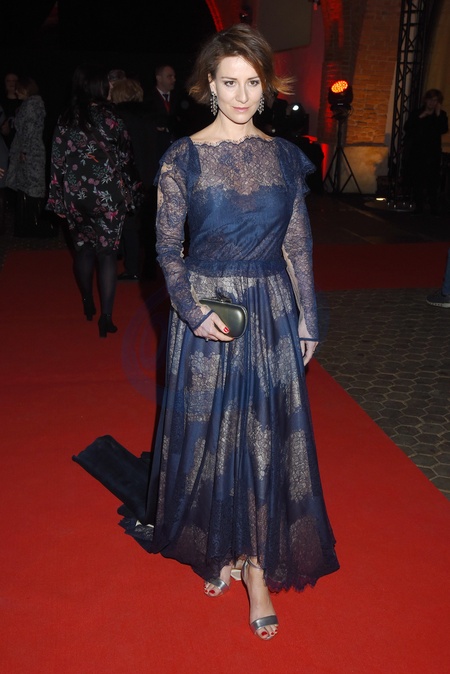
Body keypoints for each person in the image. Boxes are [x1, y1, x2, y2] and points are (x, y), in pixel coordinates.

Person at [74, 24, 339, 640]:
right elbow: (167, 251)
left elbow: (298, 245)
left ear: (266, 88)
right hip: (207, 309)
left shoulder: (285, 157)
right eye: (230, 82)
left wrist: (309, 318)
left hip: (270, 310)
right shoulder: (182, 159)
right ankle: (219, 544)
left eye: (253, 83)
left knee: (263, 437)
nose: (242, 96)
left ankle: (257, 571)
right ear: (209, 86)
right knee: (212, 433)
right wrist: (193, 314)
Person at [46, 63, 143, 337]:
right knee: (107, 254)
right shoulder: (111, 118)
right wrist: (134, 191)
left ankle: (88, 300)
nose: (110, 87)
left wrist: (56, 199)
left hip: (75, 195)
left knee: (84, 250)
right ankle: (106, 317)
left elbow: (56, 162)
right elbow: (126, 159)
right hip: (108, 196)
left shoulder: (66, 118)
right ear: (98, 86)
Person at [110, 77, 159, 280]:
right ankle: (149, 267)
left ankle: (132, 268)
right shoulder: (150, 117)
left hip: (129, 176)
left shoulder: (118, 119)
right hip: (151, 175)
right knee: (148, 225)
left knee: (129, 225)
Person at [5, 76, 47, 236]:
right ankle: (28, 226)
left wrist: (24, 151)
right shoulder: (31, 104)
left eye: (18, 89)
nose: (16, 91)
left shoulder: (31, 105)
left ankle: (33, 226)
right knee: (27, 188)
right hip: (30, 151)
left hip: (31, 153)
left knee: (32, 188)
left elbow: (29, 131)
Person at [403, 89, 449, 215]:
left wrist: (438, 114)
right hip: (418, 151)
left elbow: (443, 129)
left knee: (432, 180)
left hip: (433, 152)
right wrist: (422, 116)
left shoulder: (441, 115)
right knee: (418, 179)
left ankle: (433, 206)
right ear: (426, 100)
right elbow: (408, 127)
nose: (432, 103)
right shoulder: (417, 113)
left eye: (435, 101)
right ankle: (419, 206)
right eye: (430, 100)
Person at [144, 63, 180, 159]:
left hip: (178, 148)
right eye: (169, 76)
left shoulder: (180, 97)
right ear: (159, 78)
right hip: (157, 150)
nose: (174, 79)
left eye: (174, 76)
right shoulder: (147, 99)